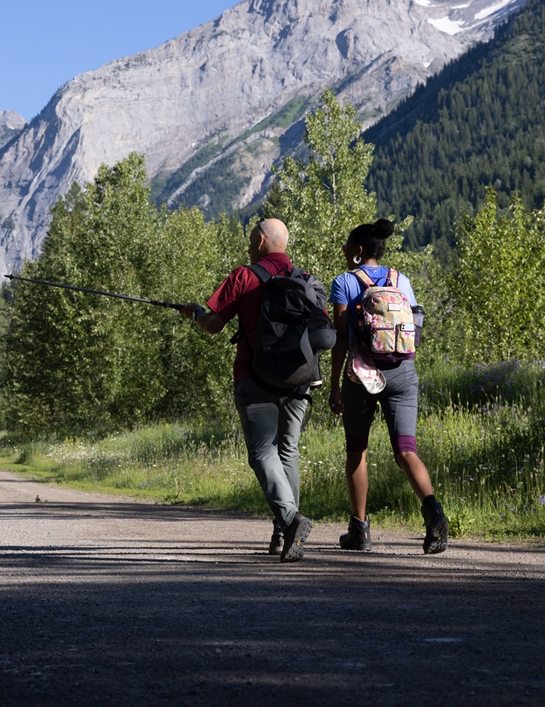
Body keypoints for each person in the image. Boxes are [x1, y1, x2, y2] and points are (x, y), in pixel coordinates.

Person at [181, 218, 315, 563]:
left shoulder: (244, 275)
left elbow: (212, 324)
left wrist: (196, 313)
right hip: (298, 380)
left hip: (254, 379)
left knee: (262, 453)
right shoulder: (304, 279)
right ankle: (282, 531)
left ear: (258, 240)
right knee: (288, 451)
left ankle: (289, 520)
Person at [327, 218, 449, 554]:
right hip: (403, 372)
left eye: (348, 246)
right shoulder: (402, 281)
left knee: (357, 449)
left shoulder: (344, 283)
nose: (344, 251)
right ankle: (434, 513)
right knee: (406, 450)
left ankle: (360, 531)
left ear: (359, 251)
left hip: (361, 375)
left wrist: (335, 385)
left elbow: (339, 340)